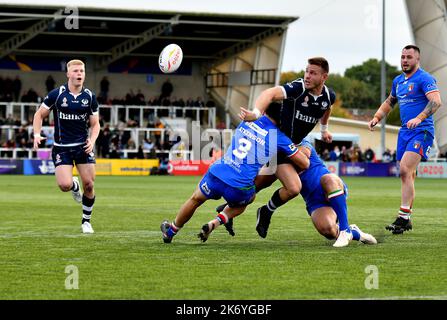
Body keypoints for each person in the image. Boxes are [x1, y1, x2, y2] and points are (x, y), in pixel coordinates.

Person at [218, 57, 336, 237]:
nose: (307, 76)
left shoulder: (328, 96)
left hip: (295, 142)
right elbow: (270, 93)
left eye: (313, 73)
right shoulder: (298, 88)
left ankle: (232, 208)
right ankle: (265, 210)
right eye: (306, 71)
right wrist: (256, 113)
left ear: (324, 77)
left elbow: (327, 108)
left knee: (263, 181)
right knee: (293, 187)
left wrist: (324, 130)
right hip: (279, 145)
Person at [160, 102, 310, 243]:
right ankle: (216, 221)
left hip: (218, 173)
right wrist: (303, 145)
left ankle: (171, 231)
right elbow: (304, 163)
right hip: (239, 186)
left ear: (264, 111)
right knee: (250, 198)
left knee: (195, 199)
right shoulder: (280, 137)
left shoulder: (247, 121)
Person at [368, 45, 442, 234]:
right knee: (407, 175)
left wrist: (419, 118)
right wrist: (377, 117)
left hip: (422, 131)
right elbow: (389, 102)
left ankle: (402, 217)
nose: (405, 60)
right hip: (404, 133)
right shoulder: (398, 81)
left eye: (409, 57)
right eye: (402, 57)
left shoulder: (424, 78)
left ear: (417, 59)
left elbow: (436, 101)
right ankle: (406, 219)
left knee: (404, 169)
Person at [32, 59, 100, 234]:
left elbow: (95, 124)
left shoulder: (90, 97)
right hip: (62, 147)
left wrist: (92, 140)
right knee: (64, 185)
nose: (79, 74)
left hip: (83, 147)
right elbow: (39, 115)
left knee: (90, 185)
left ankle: (86, 221)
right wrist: (37, 134)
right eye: (76, 71)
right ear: (68, 74)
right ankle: (74, 186)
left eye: (82, 71)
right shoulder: (57, 94)